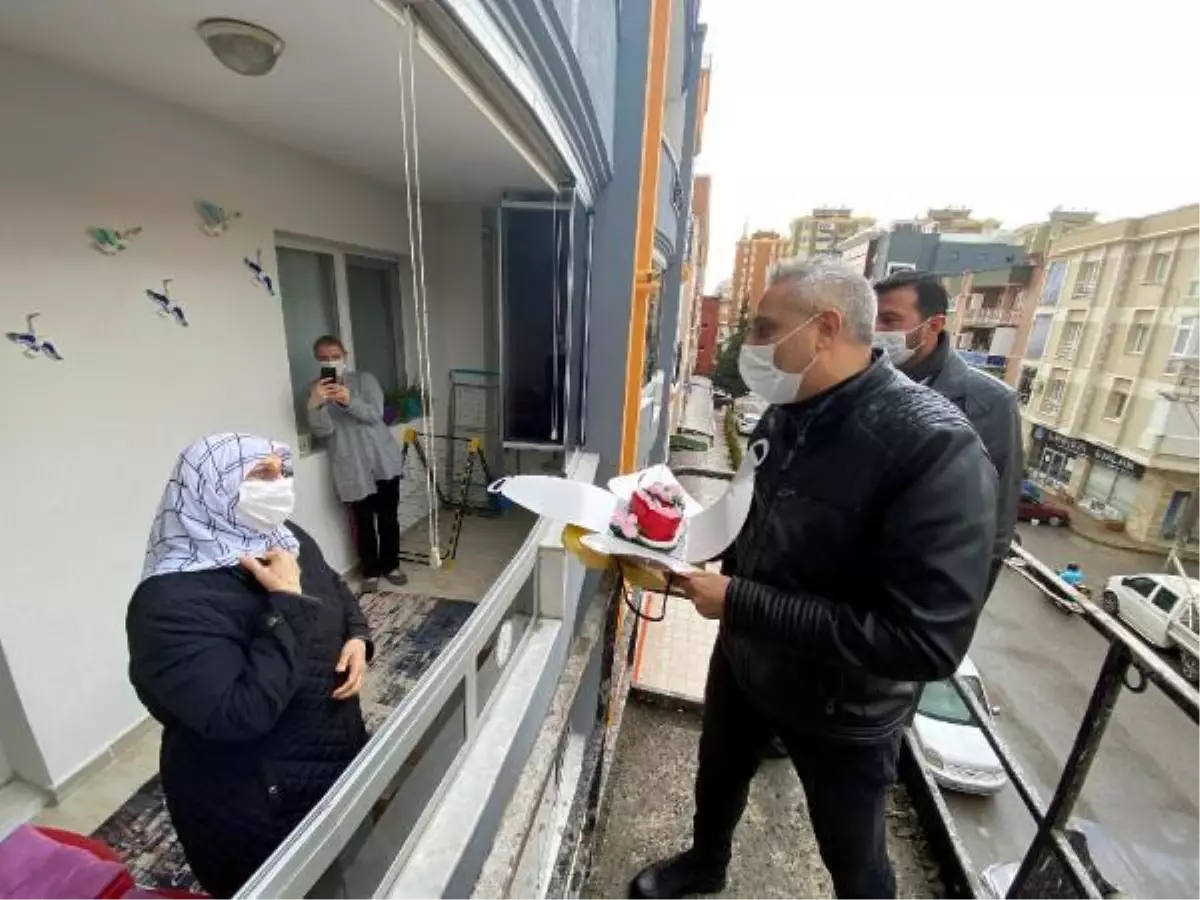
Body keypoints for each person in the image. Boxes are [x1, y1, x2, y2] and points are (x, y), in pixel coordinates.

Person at [629, 259, 998, 900]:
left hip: (843, 705)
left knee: (853, 857)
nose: (752, 346)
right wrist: (679, 549)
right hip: (746, 665)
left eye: (766, 328)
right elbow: (759, 520)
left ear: (825, 328)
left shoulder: (933, 448)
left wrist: (740, 600)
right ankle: (706, 862)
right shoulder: (787, 411)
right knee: (717, 777)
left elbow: (926, 642)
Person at [127, 434, 373, 899]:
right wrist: (285, 601)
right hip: (257, 805)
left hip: (334, 753)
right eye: (261, 475)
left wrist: (358, 637)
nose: (278, 486)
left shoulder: (286, 537)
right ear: (208, 490)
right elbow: (238, 715)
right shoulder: (167, 602)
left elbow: (336, 590)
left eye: (282, 472)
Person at [873, 269, 1022, 588]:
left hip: (918, 590)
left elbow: (995, 531)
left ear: (934, 325)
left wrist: (949, 626)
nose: (875, 330)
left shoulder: (989, 403)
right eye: (871, 319)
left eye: (889, 320)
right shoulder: (857, 382)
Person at [307, 335, 407, 593]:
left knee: (388, 517)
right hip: (350, 465)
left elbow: (375, 416)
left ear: (345, 355)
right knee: (363, 522)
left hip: (382, 460)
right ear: (317, 361)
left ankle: (391, 565)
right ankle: (370, 571)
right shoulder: (316, 390)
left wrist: (348, 400)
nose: (331, 361)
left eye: (334, 356)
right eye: (324, 358)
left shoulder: (365, 380)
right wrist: (315, 406)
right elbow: (322, 431)